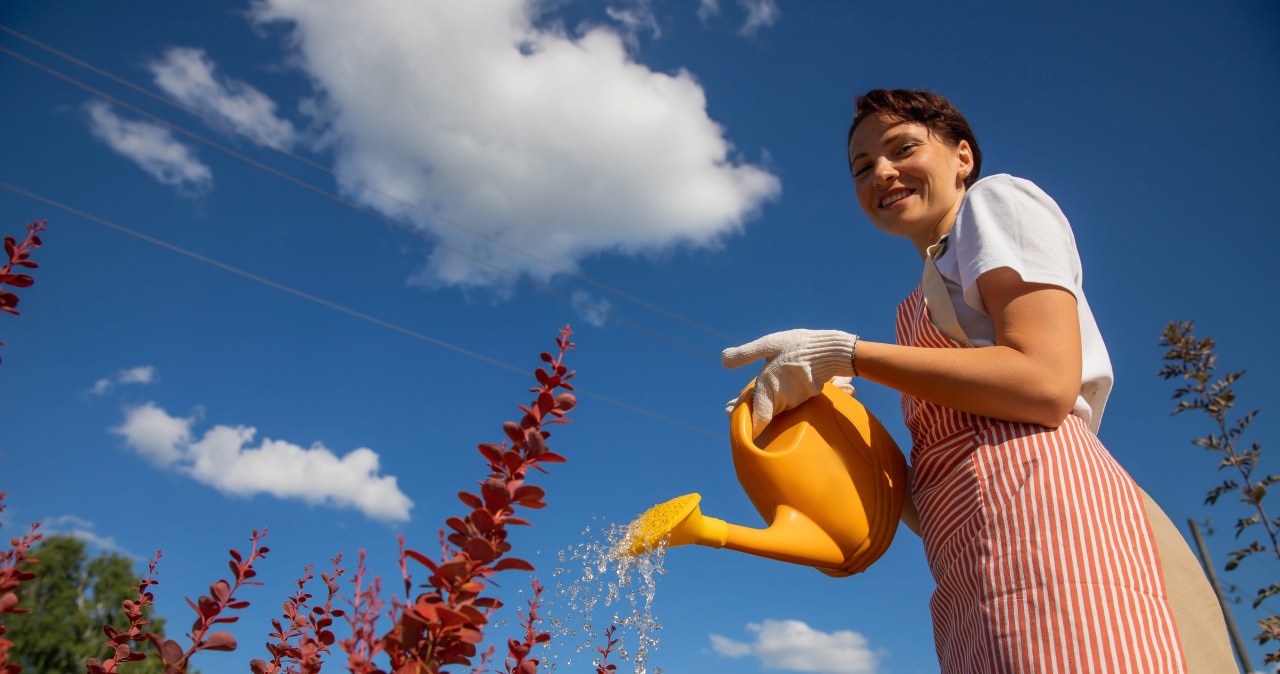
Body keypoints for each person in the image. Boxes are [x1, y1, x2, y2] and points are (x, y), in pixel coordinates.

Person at [722, 89, 1237, 673]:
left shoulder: (996, 203)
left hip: (1053, 533)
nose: (881, 173)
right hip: (971, 570)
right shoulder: (914, 309)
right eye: (862, 168)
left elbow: (1043, 382)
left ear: (962, 157)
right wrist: (838, 426)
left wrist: (847, 354)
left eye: (902, 149)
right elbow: (940, 492)